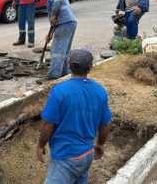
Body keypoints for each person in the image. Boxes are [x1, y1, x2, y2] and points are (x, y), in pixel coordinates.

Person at [36, 48, 111, 184]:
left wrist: (41, 145)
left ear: (68, 64)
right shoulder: (100, 91)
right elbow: (104, 124)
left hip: (65, 157)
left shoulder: (59, 91)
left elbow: (48, 124)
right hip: (86, 155)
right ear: (90, 67)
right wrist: (99, 144)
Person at [36, 0, 77, 85]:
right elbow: (54, 22)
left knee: (56, 51)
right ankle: (64, 75)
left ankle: (53, 76)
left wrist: (53, 15)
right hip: (69, 23)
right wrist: (50, 34)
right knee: (64, 52)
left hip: (64, 23)